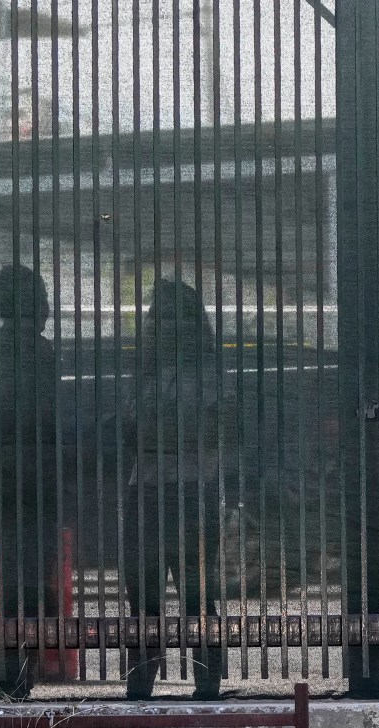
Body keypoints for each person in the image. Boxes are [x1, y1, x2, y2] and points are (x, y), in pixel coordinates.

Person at [115, 273, 233, 700]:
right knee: (143, 597)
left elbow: (214, 429)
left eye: (174, 317)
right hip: (150, 490)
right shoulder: (146, 374)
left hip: (191, 489)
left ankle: (205, 683)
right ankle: (143, 682)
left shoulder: (208, 375)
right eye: (160, 317)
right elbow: (133, 431)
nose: (165, 326)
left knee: (195, 595)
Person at [0, 262, 63, 702]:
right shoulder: (38, 353)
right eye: (42, 298)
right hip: (33, 477)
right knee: (30, 578)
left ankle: (9, 673)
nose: (47, 308)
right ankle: (17, 670)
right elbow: (42, 416)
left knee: (12, 576)